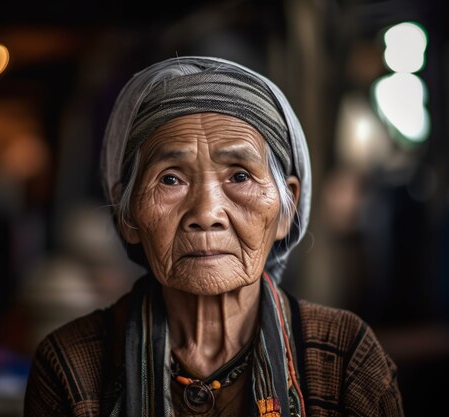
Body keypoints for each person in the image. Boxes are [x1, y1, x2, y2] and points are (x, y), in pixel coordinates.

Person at [23, 56, 404, 417]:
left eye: (239, 176)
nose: (206, 214)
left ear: (288, 206)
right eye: (170, 178)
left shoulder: (345, 358)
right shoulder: (71, 364)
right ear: (128, 217)